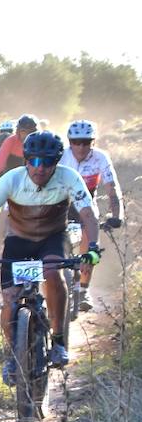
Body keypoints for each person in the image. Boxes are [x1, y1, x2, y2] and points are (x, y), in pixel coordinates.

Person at [0, 131, 101, 382]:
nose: (40, 168)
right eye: (34, 161)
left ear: (56, 163)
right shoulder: (11, 180)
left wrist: (92, 248)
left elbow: (88, 215)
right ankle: (13, 354)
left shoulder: (69, 178)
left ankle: (58, 340)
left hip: (53, 239)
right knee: (9, 299)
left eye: (47, 162)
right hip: (19, 242)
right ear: (26, 160)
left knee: (52, 273)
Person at [60, 119, 125, 311]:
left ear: (93, 142)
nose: (81, 147)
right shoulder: (61, 156)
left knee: (90, 246)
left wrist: (117, 214)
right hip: (62, 203)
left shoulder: (100, 157)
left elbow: (112, 187)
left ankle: (83, 289)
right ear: (69, 142)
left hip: (87, 205)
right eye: (76, 142)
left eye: (86, 142)